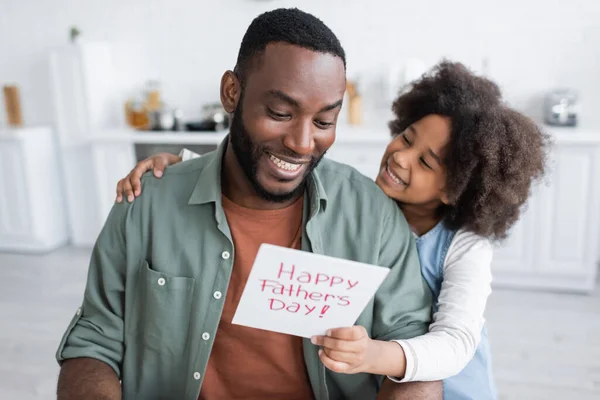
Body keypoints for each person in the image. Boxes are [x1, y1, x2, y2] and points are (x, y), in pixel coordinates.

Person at [56, 8, 441, 400]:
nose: (302, 143)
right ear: (231, 93)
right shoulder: (145, 204)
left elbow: (418, 360)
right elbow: (92, 342)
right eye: (280, 113)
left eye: (324, 122)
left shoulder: (372, 216)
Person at [117, 61, 550, 399]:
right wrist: (179, 164)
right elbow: (283, 169)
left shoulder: (465, 247)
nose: (400, 157)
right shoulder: (369, 202)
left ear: (457, 190)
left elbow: (455, 343)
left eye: (425, 162)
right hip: (366, 368)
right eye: (406, 138)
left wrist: (374, 355)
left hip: (444, 383)